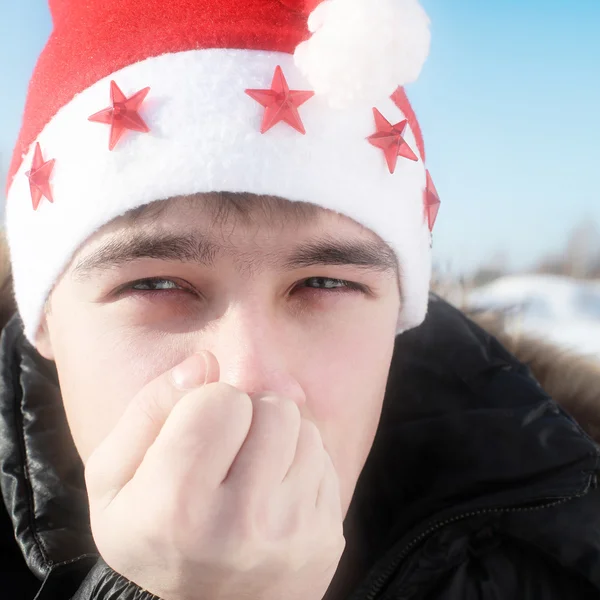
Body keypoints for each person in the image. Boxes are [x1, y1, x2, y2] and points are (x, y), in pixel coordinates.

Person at [1, 1, 600, 599]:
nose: (250, 378)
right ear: (44, 316)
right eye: (157, 285)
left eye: (325, 283)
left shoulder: (564, 549)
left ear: (397, 316)